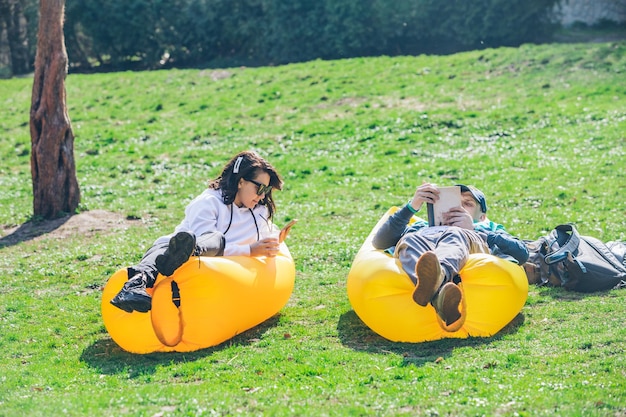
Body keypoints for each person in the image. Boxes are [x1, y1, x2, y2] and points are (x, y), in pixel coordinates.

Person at [111, 150, 286, 313]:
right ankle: (133, 287)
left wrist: (274, 240)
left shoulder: (258, 211)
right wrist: (249, 250)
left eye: (267, 190)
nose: (263, 196)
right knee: (211, 240)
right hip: (180, 252)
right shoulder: (208, 203)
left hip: (208, 267)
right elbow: (211, 242)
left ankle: (180, 256)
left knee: (211, 242)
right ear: (241, 181)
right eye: (260, 188)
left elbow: (267, 234)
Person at [372, 182, 529, 332]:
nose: (458, 208)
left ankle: (439, 275)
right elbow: (379, 242)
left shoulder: (486, 228)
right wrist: (411, 206)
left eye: (467, 204)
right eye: (452, 202)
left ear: (482, 216)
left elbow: (522, 253)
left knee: (454, 233)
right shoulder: (420, 227)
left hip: (466, 239)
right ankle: (440, 297)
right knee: (410, 240)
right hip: (425, 241)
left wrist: (473, 229)